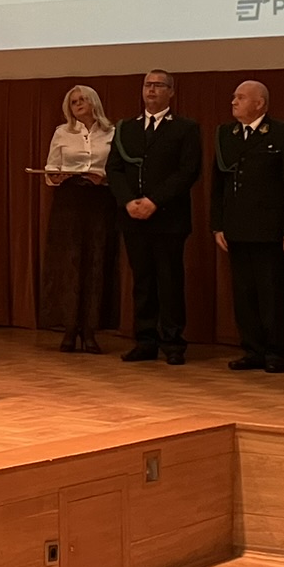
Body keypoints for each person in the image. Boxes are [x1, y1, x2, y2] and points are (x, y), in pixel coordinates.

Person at [211, 80, 284, 372]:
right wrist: (218, 225)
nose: (233, 102)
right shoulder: (226, 134)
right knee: (244, 295)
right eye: (234, 96)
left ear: (259, 103)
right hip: (237, 229)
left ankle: (277, 352)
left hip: (271, 231)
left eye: (240, 97)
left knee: (273, 294)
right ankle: (252, 350)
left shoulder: (283, 133)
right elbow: (218, 183)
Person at [106, 70, 201, 365]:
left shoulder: (185, 128)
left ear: (171, 92)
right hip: (133, 216)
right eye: (148, 85)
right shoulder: (126, 128)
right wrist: (128, 201)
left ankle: (172, 342)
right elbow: (114, 169)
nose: (152, 90)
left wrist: (154, 201)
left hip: (168, 218)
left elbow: (188, 171)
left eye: (159, 85)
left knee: (169, 280)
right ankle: (145, 340)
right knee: (143, 281)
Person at [40, 86, 119, 354]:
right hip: (69, 200)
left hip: (99, 200)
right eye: (73, 102)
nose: (78, 104)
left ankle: (90, 330)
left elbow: (118, 169)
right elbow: (51, 168)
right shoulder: (62, 132)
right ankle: (69, 328)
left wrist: (104, 178)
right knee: (69, 263)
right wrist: (56, 176)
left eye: (83, 99)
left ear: (94, 102)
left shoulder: (111, 132)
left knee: (96, 261)